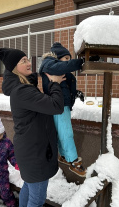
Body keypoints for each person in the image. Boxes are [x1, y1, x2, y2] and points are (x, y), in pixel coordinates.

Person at [0, 47, 65, 207]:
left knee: (29, 186)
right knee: (37, 198)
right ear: (14, 68)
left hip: (31, 149)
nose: (29, 63)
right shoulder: (22, 90)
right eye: (24, 61)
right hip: (35, 153)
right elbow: (55, 106)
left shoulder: (23, 87)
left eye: (28, 59)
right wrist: (55, 83)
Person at [39, 42, 86, 177]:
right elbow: (62, 68)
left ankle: (64, 156)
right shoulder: (49, 64)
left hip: (60, 105)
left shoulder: (58, 70)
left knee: (61, 132)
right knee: (66, 133)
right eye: (66, 59)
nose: (68, 63)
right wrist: (80, 62)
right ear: (57, 58)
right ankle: (73, 161)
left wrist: (76, 93)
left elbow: (65, 88)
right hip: (59, 106)